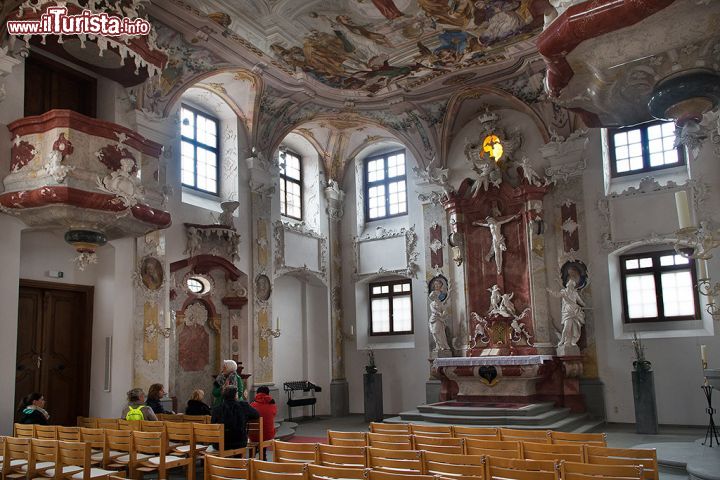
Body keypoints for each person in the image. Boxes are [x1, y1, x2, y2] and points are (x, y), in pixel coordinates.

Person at [211, 386, 259, 450]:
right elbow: (256, 415)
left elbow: (213, 423)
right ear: (235, 395)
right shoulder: (243, 406)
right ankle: (238, 459)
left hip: (219, 444)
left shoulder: (216, 409)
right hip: (239, 443)